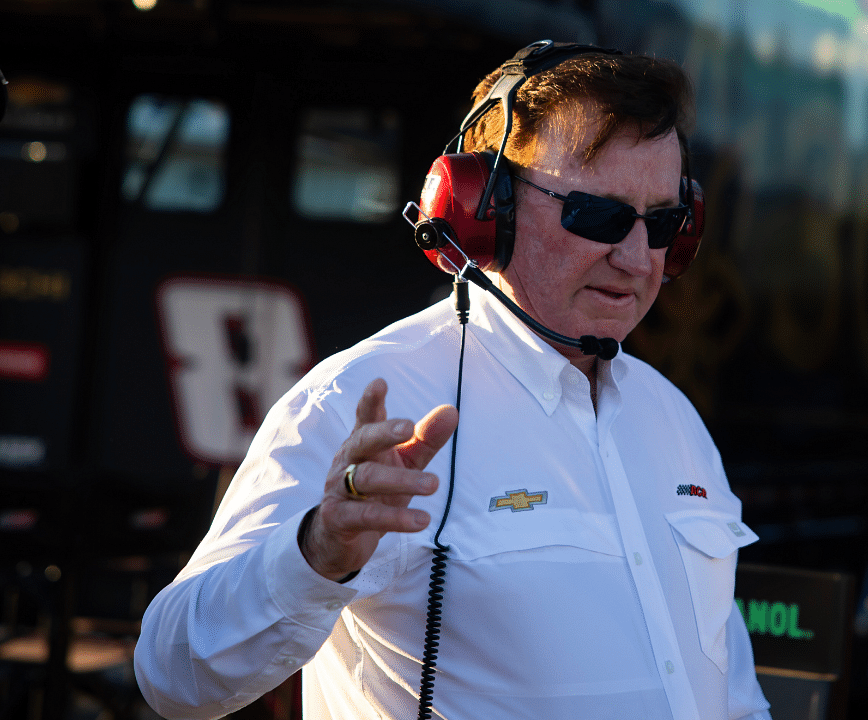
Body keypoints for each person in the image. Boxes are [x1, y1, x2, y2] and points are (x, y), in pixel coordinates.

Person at [134, 41, 772, 720]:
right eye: (598, 215)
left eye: (664, 223)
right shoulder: (364, 401)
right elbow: (174, 675)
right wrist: (319, 552)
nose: (636, 257)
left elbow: (729, 695)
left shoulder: (672, 420)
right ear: (483, 207)